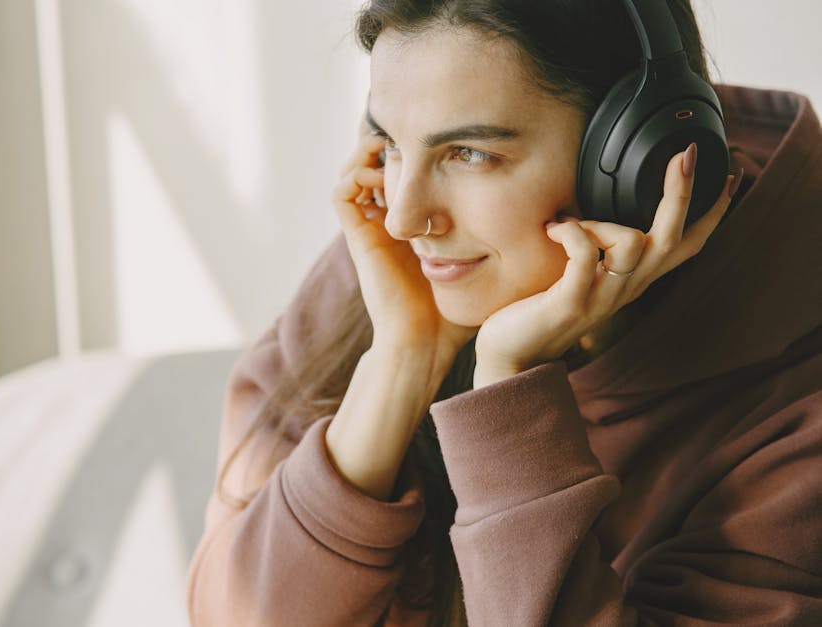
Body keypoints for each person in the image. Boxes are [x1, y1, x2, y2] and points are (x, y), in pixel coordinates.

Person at [187, 1, 822, 624]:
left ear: (637, 167)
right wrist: (403, 358)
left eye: (468, 153)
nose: (407, 218)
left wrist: (508, 390)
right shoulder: (408, 255)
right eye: (390, 143)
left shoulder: (799, 425)